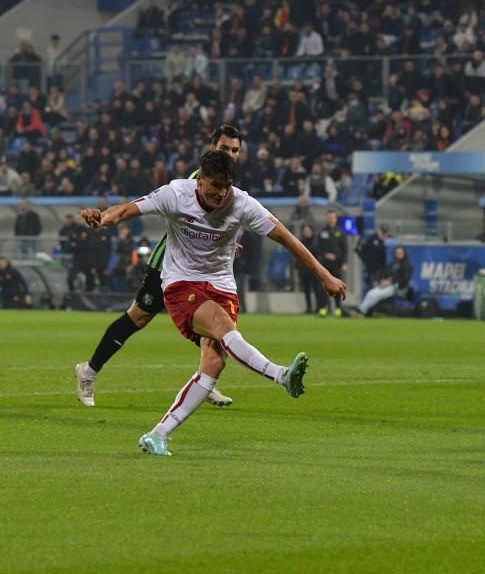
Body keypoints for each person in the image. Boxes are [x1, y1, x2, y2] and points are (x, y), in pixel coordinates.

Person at [80, 149, 346, 456]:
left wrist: (324, 275)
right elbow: (126, 210)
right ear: (200, 180)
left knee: (215, 362)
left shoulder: (242, 203)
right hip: (181, 283)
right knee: (221, 327)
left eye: (227, 186)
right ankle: (280, 374)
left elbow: (285, 237)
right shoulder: (176, 194)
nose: (221, 193)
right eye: (215, 185)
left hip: (222, 286)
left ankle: (157, 434)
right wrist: (102, 220)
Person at [73, 126, 244, 408]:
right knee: (138, 317)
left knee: (212, 322)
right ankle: (88, 371)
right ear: (212, 148)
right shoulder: (198, 179)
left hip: (204, 268)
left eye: (235, 150)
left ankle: (206, 377)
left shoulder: (227, 183)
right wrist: (102, 219)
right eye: (225, 148)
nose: (231, 154)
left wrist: (224, 242)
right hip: (170, 265)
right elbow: (191, 219)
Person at [353, 246, 413, 317]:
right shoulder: (392, 264)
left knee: (376, 295)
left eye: (400, 253)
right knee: (371, 293)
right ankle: (361, 310)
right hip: (386, 286)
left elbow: (405, 279)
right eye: (397, 253)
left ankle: (361, 311)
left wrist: (391, 282)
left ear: (404, 253)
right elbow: (385, 273)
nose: (399, 254)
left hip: (397, 287)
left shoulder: (406, 265)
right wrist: (383, 281)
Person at [316, 209, 348, 317]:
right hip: (325, 264)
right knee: (323, 287)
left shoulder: (341, 233)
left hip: (337, 264)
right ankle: (322, 309)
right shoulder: (322, 232)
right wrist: (325, 255)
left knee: (337, 286)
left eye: (333, 218)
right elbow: (318, 248)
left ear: (336, 219)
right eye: (329, 218)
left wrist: (344, 262)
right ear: (327, 219)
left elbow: (345, 249)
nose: (331, 220)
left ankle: (338, 309)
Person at [355, 224, 390, 290]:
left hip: (379, 272)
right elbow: (358, 249)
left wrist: (385, 275)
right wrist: (365, 260)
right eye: (383, 233)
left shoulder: (384, 245)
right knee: (369, 288)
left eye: (385, 233)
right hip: (370, 270)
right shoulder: (370, 241)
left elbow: (383, 262)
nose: (384, 235)